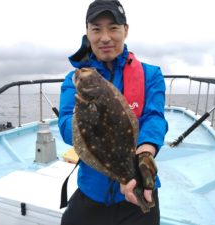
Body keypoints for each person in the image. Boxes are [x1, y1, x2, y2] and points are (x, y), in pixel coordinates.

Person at [58, 0, 168, 224]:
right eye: (96, 29)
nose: (105, 37)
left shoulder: (151, 74)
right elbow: (66, 125)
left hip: (137, 186)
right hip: (91, 190)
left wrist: (145, 153)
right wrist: (90, 120)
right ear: (87, 33)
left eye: (113, 28)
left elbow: (154, 118)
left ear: (125, 30)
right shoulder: (74, 80)